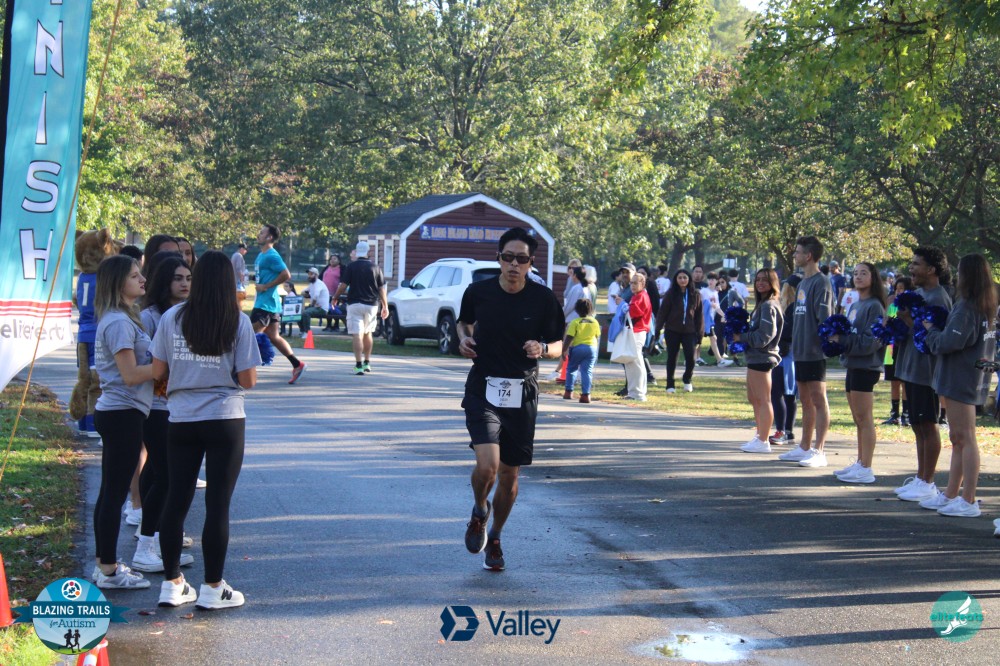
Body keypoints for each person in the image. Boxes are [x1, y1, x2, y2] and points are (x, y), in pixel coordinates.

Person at [152, 251, 262, 609]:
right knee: (218, 503)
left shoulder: (171, 317)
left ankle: (172, 583)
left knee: (176, 499)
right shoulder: (237, 321)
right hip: (225, 417)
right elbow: (248, 379)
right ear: (229, 282)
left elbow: (158, 370)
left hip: (181, 417)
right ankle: (214, 588)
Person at [458, 227, 564, 572]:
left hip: (522, 391)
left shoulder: (543, 299)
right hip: (484, 386)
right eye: (508, 257)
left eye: (521, 259)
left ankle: (496, 537)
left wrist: (543, 348)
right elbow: (464, 323)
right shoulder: (478, 292)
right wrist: (464, 339)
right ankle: (479, 510)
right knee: (488, 466)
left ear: (530, 263)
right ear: (499, 259)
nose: (514, 264)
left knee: (509, 476)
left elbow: (559, 345)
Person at [91, 255, 154, 589]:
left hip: (122, 412)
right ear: (118, 284)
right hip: (121, 413)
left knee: (110, 492)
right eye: (134, 276)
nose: (142, 279)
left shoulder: (124, 318)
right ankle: (109, 570)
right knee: (114, 493)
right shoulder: (117, 322)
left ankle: (104, 564)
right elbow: (130, 375)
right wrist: (166, 366)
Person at [917, 254, 997, 517]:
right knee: (958, 438)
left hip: (960, 377)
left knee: (965, 438)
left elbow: (950, 342)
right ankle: (952, 494)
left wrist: (930, 330)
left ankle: (969, 499)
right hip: (972, 375)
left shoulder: (968, 307)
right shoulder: (986, 305)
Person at [132, 256, 196, 574]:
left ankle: (158, 539)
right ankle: (146, 544)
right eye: (177, 278)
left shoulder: (189, 314)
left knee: (165, 476)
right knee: (166, 476)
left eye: (188, 278)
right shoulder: (149, 317)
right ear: (164, 282)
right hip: (156, 407)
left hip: (181, 407)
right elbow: (145, 365)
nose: (184, 283)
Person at [894, 247, 952, 502]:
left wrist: (909, 321)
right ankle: (920, 477)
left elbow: (934, 338)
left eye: (917, 264)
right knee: (917, 425)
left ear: (932, 269)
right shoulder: (917, 294)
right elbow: (910, 331)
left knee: (928, 424)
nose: (911, 268)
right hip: (910, 367)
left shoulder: (939, 298)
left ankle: (928, 481)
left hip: (926, 371)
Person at [778, 236, 835, 467]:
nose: (795, 255)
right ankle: (804, 446)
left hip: (814, 351)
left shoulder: (822, 283)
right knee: (805, 400)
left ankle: (819, 450)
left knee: (819, 399)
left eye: (798, 252)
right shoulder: (802, 283)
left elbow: (825, 319)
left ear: (809, 255)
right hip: (799, 350)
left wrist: (822, 344)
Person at [831, 262, 887, 483]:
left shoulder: (875, 306)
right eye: (855, 273)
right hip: (852, 365)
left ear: (873, 278)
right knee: (857, 418)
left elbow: (871, 341)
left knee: (865, 418)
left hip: (866, 366)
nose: (858, 277)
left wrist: (843, 340)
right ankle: (860, 461)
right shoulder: (855, 304)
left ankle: (866, 467)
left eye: (864, 273)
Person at [251, 224, 306, 384]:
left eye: (262, 233)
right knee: (274, 337)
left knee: (248, 336)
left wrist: (266, 286)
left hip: (265, 305)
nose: (259, 234)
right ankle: (297, 364)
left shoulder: (272, 255)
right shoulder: (261, 255)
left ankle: (241, 371)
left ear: (269, 237)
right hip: (270, 304)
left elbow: (286, 274)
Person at [737, 269, 783, 453]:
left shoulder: (769, 305)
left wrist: (741, 337)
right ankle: (759, 435)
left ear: (773, 283)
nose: (760, 283)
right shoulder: (761, 304)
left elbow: (764, 336)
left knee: (763, 399)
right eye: (757, 280)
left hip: (763, 356)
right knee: (754, 398)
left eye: (765, 280)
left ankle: (764, 440)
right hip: (754, 357)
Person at [332, 241, 388, 375]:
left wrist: (335, 297)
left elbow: (343, 285)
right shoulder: (375, 267)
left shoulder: (351, 266)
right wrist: (385, 305)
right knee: (368, 333)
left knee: (357, 335)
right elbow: (381, 288)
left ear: (357, 252)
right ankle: (367, 362)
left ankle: (358, 365)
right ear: (369, 252)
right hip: (371, 304)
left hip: (355, 303)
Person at [655, 269, 703, 394]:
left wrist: (700, 334)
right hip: (672, 330)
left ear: (689, 279)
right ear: (676, 280)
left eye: (685, 277)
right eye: (680, 278)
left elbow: (699, 315)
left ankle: (687, 379)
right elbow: (662, 313)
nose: (682, 280)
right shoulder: (670, 294)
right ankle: (670, 384)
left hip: (690, 331)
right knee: (672, 357)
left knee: (691, 358)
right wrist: (657, 329)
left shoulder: (695, 294)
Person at [769, 275, 801, 446]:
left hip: (787, 355)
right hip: (793, 354)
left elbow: (787, 331)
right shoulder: (794, 307)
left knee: (777, 392)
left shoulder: (793, 308)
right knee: (789, 395)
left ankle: (782, 430)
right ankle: (788, 431)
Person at [882, 276, 913, 426]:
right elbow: (887, 320)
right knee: (893, 379)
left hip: (905, 345)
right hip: (891, 345)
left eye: (902, 288)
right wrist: (889, 307)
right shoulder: (892, 303)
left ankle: (906, 413)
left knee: (904, 381)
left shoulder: (911, 306)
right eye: (897, 289)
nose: (899, 292)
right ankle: (894, 414)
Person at [561, 298, 600, 403]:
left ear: (576, 310)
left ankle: (568, 392)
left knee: (572, 369)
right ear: (591, 309)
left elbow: (569, 337)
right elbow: (597, 336)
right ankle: (586, 395)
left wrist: (564, 350)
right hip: (591, 348)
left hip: (577, 348)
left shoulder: (575, 322)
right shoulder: (595, 322)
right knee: (587, 371)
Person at [623, 272, 652, 401]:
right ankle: (634, 391)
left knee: (635, 362)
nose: (632, 286)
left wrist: (623, 305)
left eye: (635, 283)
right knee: (632, 362)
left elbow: (634, 313)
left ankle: (638, 393)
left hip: (638, 331)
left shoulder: (640, 296)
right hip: (636, 331)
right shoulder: (637, 296)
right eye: (631, 283)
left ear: (643, 283)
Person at [698, 272, 724, 367]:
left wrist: (724, 315)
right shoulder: (704, 291)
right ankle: (719, 360)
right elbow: (698, 303)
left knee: (705, 339)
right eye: (709, 279)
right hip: (702, 319)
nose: (710, 281)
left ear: (717, 281)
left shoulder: (715, 293)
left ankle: (719, 360)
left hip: (709, 319)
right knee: (707, 339)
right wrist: (708, 304)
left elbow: (717, 307)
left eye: (713, 279)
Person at [299, 267, 331, 335]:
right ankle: (302, 331)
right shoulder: (312, 284)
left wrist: (312, 305)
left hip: (322, 309)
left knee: (306, 313)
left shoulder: (319, 283)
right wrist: (305, 294)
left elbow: (315, 296)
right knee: (299, 312)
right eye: (308, 274)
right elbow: (302, 292)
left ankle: (307, 333)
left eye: (311, 274)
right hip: (316, 307)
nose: (309, 276)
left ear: (316, 275)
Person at [320, 254, 343, 331]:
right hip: (326, 294)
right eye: (331, 259)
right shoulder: (326, 268)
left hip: (336, 293)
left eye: (334, 259)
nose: (332, 260)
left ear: (339, 261)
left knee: (335, 309)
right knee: (328, 309)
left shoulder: (342, 269)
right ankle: (328, 325)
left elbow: (343, 281)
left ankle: (336, 325)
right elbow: (320, 278)